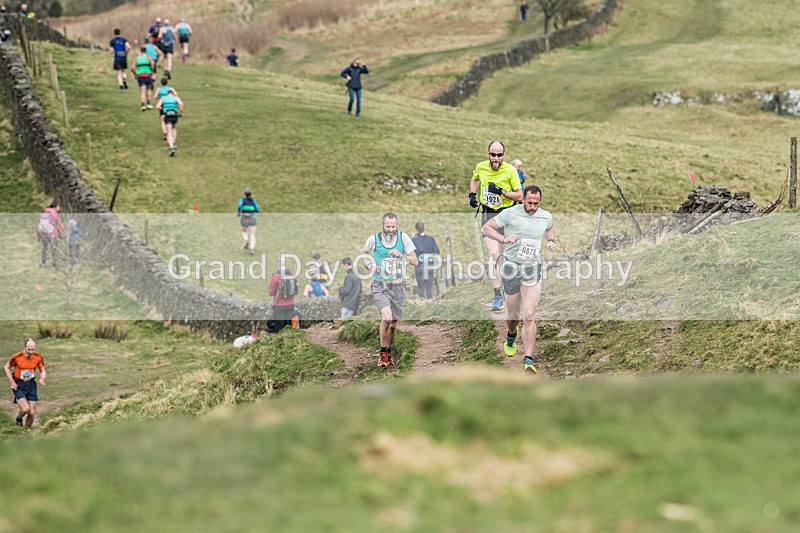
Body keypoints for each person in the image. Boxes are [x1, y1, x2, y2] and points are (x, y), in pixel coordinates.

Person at [481, 185, 556, 373]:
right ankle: (511, 334)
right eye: (529, 203)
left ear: (540, 202)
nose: (532, 207)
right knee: (513, 315)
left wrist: (550, 240)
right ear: (522, 199)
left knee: (529, 314)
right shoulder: (510, 213)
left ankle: (528, 359)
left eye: (536, 204)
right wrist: (503, 239)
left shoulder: (545, 216)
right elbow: (486, 228)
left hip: (532, 268)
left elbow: (549, 227)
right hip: (511, 267)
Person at [468, 140, 522, 311]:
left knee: (504, 257)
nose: (496, 158)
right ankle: (497, 295)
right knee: (492, 255)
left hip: (506, 215)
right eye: (493, 154)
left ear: (503, 156)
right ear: (488, 154)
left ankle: (508, 291)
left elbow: (520, 196)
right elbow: (474, 178)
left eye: (499, 155)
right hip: (489, 213)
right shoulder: (481, 167)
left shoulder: (511, 170)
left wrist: (501, 191)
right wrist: (472, 194)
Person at [361, 213, 418, 367]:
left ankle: (389, 351)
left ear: (397, 225)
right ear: (382, 225)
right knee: (386, 317)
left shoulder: (404, 238)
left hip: (398, 286)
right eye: (388, 226)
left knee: (393, 324)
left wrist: (402, 255)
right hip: (380, 285)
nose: (391, 229)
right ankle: (383, 353)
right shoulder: (374, 239)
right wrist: (370, 265)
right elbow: (363, 254)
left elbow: (415, 260)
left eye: (393, 226)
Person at [4, 338, 46, 427]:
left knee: (31, 412)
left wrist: (42, 378)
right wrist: (12, 382)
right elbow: (6, 367)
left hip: (31, 385)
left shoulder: (38, 357)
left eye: (33, 349)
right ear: (24, 348)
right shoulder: (17, 356)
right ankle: (19, 418)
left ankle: (26, 432)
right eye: (29, 349)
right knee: (25, 409)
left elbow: (42, 370)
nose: (31, 352)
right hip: (18, 384)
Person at [268, 258, 298, 333]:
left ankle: (282, 342)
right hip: (291, 304)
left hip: (279, 306)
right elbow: (296, 290)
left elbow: (271, 293)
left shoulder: (276, 276)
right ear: (286, 265)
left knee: (279, 327)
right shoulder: (292, 274)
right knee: (289, 326)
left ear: (278, 265)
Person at [411, 222, 440, 299]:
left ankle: (421, 304)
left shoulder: (414, 240)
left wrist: (413, 238)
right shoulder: (431, 239)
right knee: (429, 288)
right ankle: (430, 305)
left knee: (421, 288)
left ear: (416, 230)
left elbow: (411, 252)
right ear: (424, 229)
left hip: (419, 266)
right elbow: (437, 251)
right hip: (429, 265)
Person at [156, 87, 184, 156]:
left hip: (167, 115)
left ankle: (171, 147)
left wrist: (163, 108)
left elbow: (157, 106)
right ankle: (174, 142)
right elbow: (181, 104)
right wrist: (181, 113)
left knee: (169, 131)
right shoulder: (176, 98)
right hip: (174, 115)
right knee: (173, 128)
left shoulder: (163, 98)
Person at [36, 201, 63, 270]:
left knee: (44, 248)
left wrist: (38, 235)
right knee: (53, 249)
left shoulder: (44, 214)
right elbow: (58, 225)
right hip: (52, 234)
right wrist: (61, 232)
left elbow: (39, 225)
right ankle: (53, 265)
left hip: (44, 234)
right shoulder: (55, 214)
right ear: (56, 207)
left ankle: (43, 263)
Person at [130, 46, 155, 111]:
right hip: (147, 74)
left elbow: (132, 68)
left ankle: (143, 105)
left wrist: (135, 74)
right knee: (149, 88)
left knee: (142, 90)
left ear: (140, 51)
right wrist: (152, 72)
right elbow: (152, 64)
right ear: (145, 51)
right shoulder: (148, 57)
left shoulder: (137, 58)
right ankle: (148, 103)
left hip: (140, 75)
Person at [237, 187, 260, 254]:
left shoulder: (242, 200)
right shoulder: (253, 201)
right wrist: (253, 210)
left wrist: (239, 213)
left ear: (244, 194)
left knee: (243, 230)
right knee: (252, 234)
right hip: (252, 217)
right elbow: (258, 210)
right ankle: (252, 248)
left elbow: (239, 206)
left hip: (244, 217)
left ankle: (247, 240)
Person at [109, 28, 130, 92]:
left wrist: (112, 51)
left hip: (117, 58)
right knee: (124, 71)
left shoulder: (112, 41)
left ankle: (121, 86)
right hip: (123, 57)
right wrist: (126, 52)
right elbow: (129, 47)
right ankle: (124, 80)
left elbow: (111, 51)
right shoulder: (123, 40)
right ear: (119, 33)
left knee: (119, 72)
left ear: (114, 33)